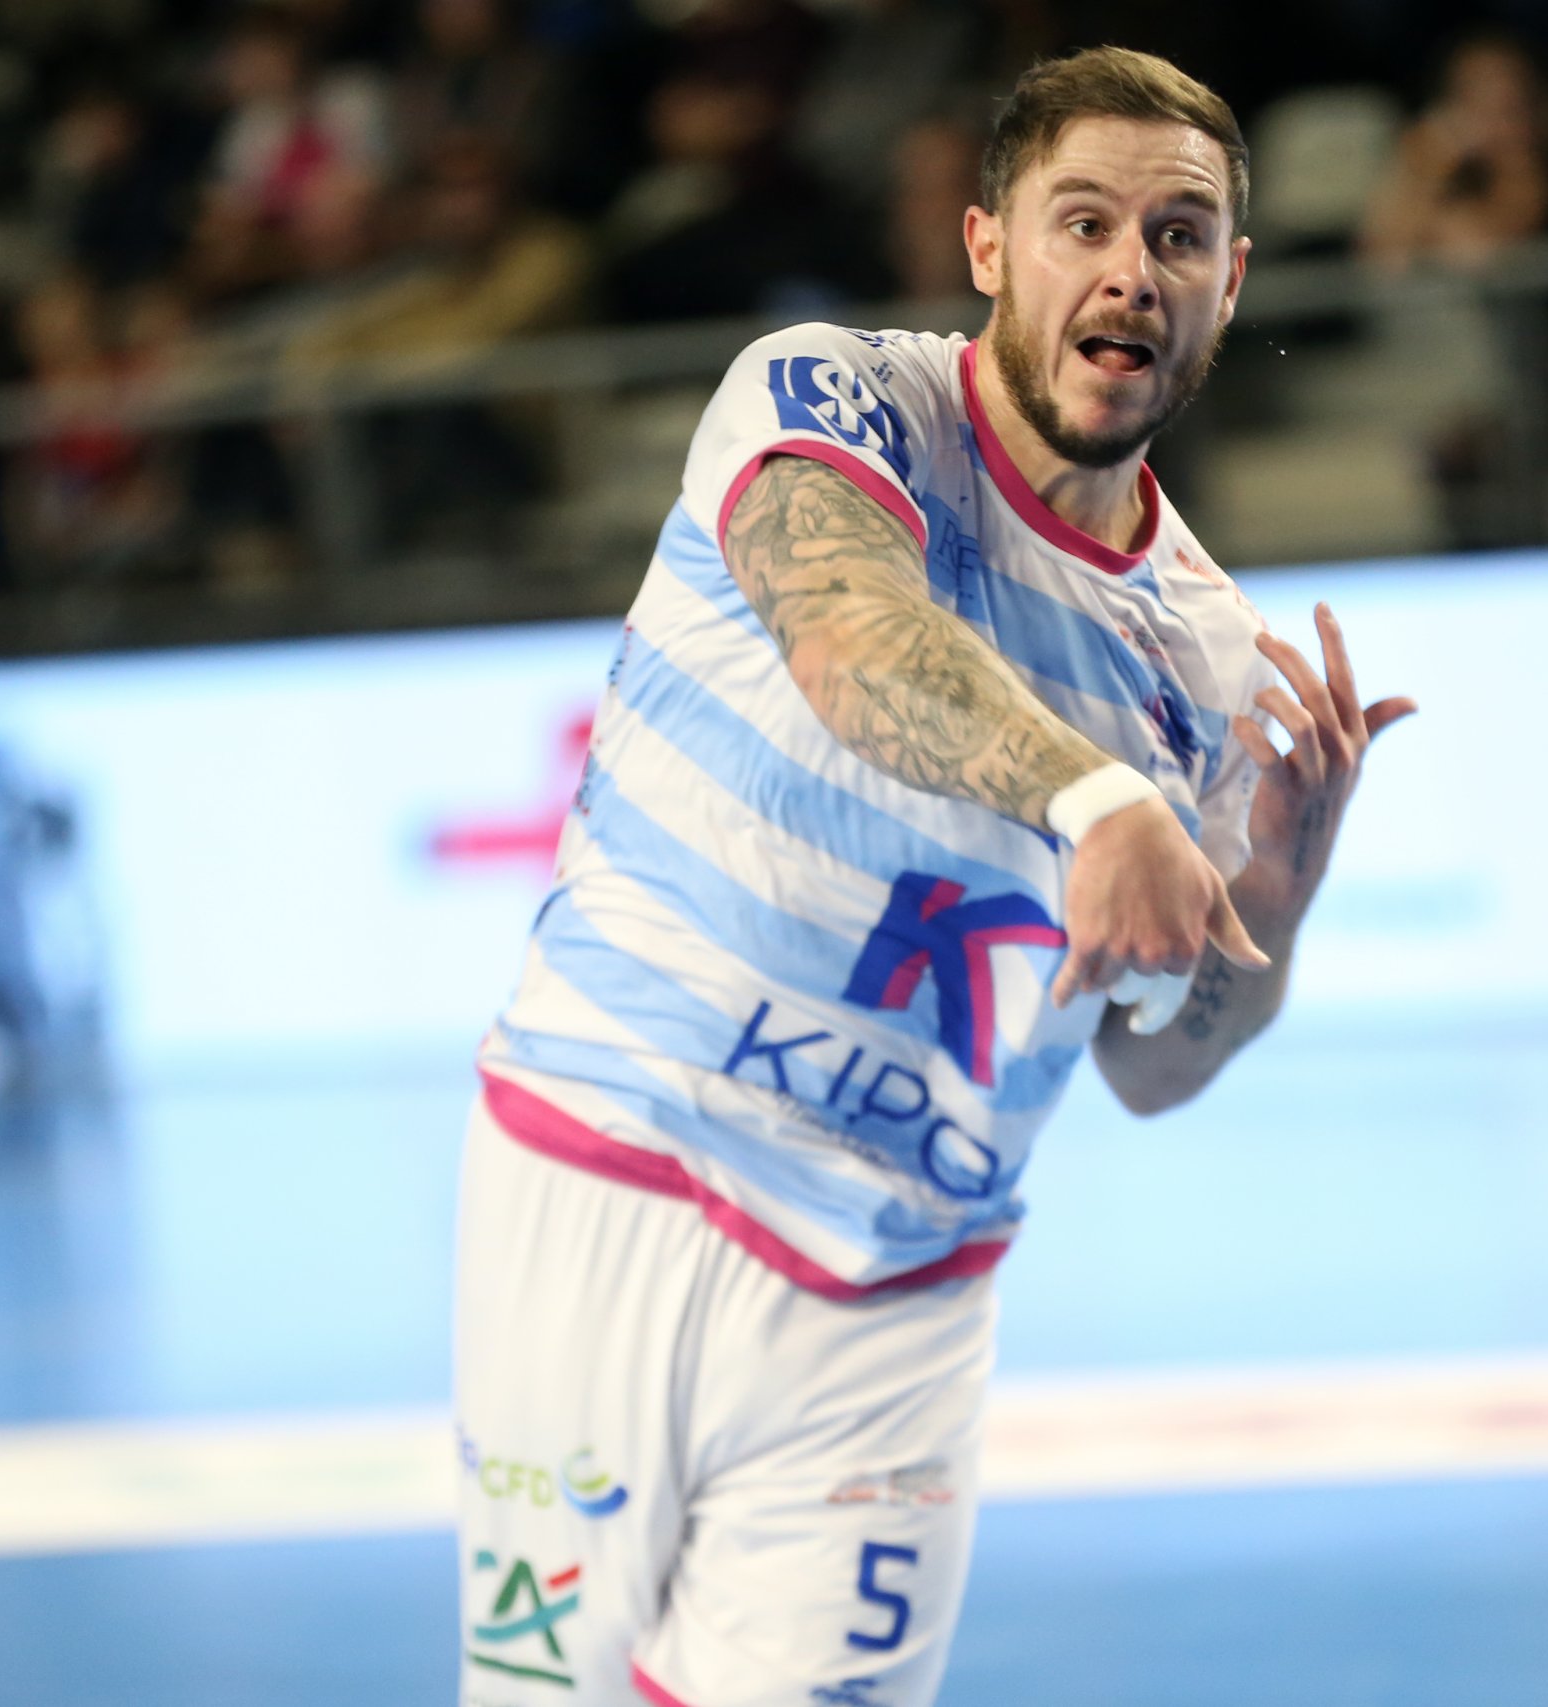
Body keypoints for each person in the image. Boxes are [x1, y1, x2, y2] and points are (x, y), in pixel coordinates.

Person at [452, 45, 1415, 1707]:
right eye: (1084, 222)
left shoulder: (1207, 658)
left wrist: (1273, 897)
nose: (1132, 271)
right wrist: (1098, 801)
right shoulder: (828, 397)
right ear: (988, 247)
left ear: (1232, 282)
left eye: (1180, 236)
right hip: (621, 1157)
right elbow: (854, 639)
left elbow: (1157, 1068)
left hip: (905, 1275)